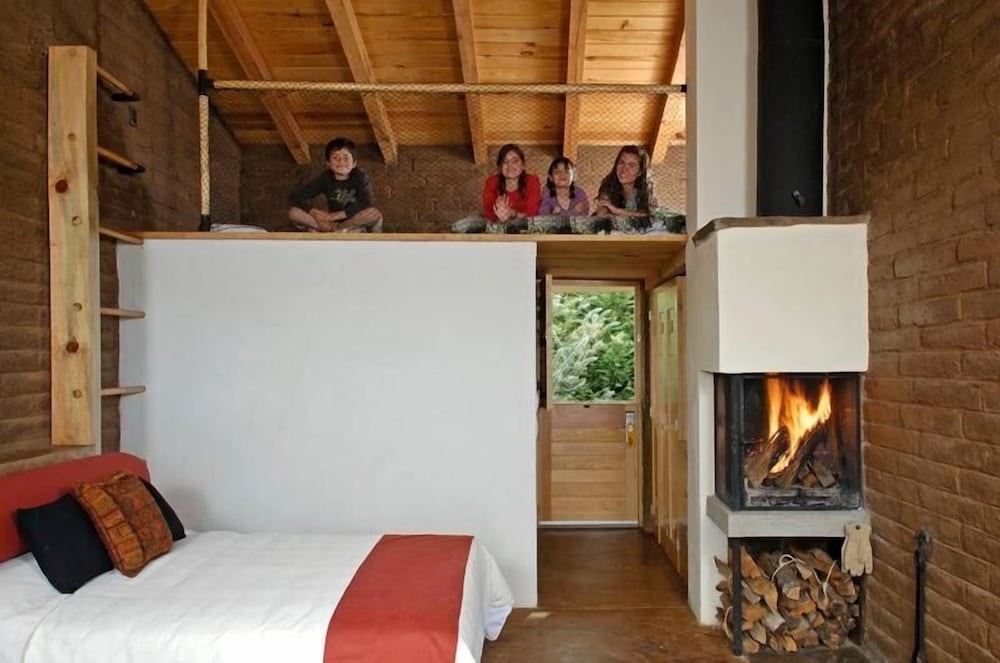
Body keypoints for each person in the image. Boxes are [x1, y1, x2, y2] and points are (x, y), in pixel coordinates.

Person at [288, 137, 383, 232]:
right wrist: (315, 213)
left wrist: (333, 216)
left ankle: (339, 230)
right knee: (294, 212)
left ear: (354, 163)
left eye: (346, 158)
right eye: (335, 158)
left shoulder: (360, 176)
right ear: (328, 163)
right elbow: (296, 197)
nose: (341, 162)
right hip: (330, 223)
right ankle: (333, 229)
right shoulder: (326, 177)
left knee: (374, 213)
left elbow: (367, 203)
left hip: (353, 223)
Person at [593, 145, 659, 217]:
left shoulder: (647, 191)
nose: (624, 169)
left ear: (640, 172)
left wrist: (616, 211)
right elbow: (602, 214)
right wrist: (635, 215)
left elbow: (652, 216)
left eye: (631, 165)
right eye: (621, 163)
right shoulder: (608, 187)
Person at [481, 144, 541, 222]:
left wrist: (511, 213)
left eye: (515, 161)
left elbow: (532, 215)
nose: (510, 165)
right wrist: (499, 215)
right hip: (498, 224)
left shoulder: (532, 181)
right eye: (505, 161)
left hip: (525, 225)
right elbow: (488, 215)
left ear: (523, 165)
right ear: (499, 167)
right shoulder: (491, 182)